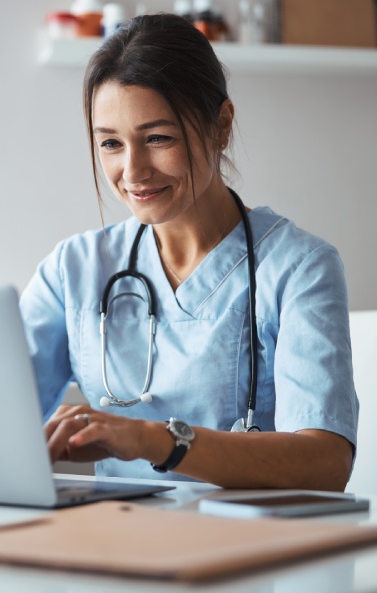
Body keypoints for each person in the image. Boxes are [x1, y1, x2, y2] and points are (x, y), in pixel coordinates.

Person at [20, 13, 357, 490]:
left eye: (158, 138)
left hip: (250, 548)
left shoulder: (300, 269)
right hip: (116, 544)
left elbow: (325, 463)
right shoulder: (72, 270)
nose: (133, 171)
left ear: (220, 125)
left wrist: (156, 440)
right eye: (111, 144)